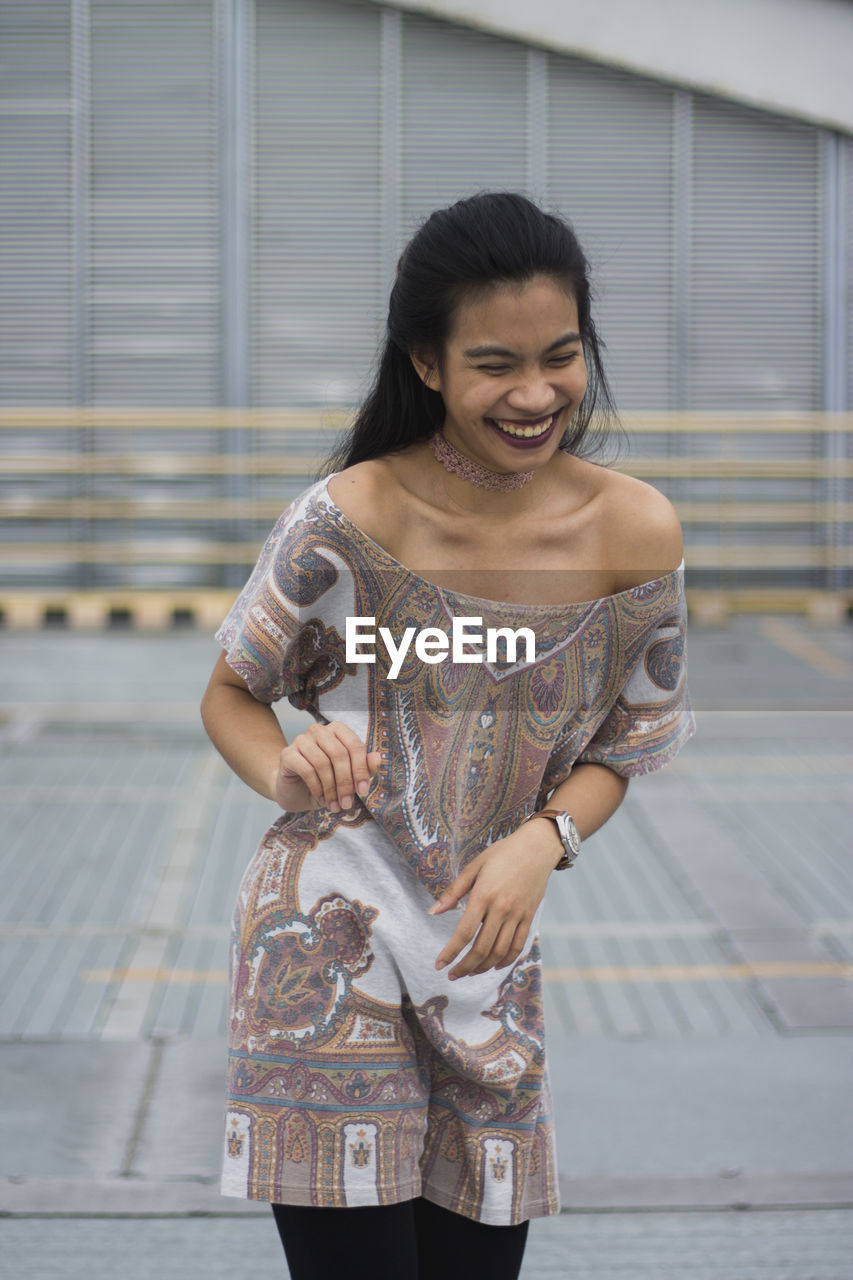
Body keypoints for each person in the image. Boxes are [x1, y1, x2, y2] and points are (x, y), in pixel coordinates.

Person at [200, 191, 695, 1279]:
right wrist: (284, 768)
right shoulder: (347, 516)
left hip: (486, 960)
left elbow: (628, 739)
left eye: (559, 356)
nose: (534, 394)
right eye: (494, 365)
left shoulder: (633, 531)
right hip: (321, 946)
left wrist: (541, 842)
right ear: (426, 363)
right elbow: (231, 692)